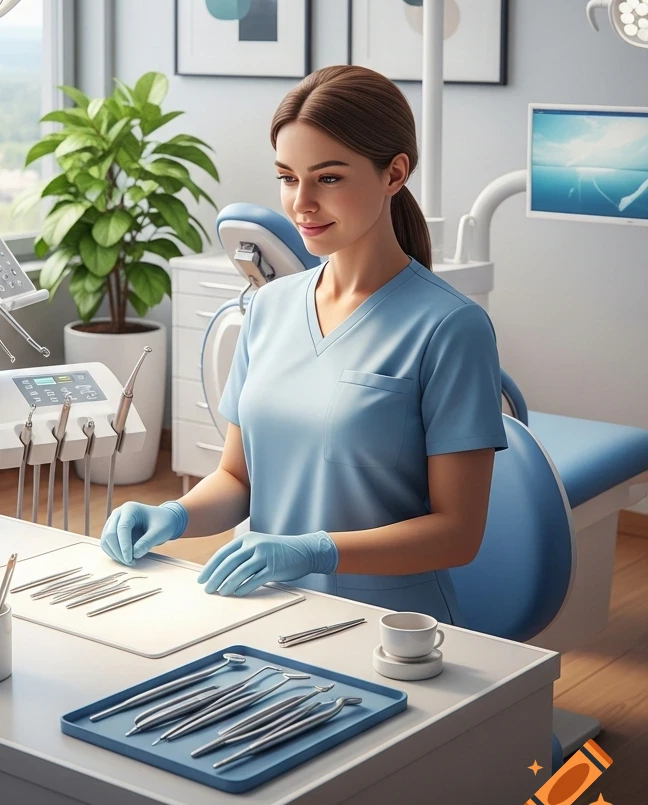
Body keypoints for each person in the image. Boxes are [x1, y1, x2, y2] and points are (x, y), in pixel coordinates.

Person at [100, 65, 508, 625]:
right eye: (288, 178)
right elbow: (238, 479)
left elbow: (458, 535)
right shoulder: (268, 308)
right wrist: (172, 514)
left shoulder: (450, 327)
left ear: (394, 174)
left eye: (329, 178)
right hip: (269, 611)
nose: (301, 204)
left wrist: (317, 550)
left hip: (391, 629)